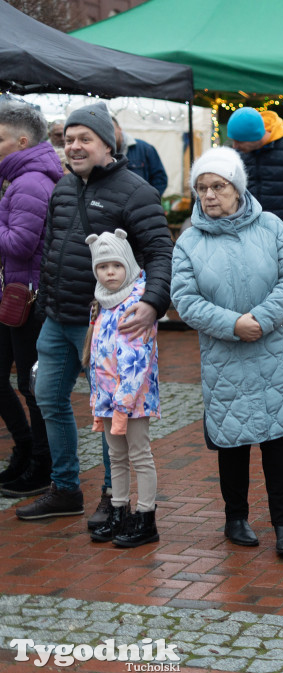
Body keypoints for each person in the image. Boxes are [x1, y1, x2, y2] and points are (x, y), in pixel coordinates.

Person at [16, 101, 173, 525]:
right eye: (69, 140)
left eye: (85, 138)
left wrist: (153, 303)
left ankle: (112, 495)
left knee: (107, 411)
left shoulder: (136, 191)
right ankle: (65, 488)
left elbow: (161, 252)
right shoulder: (63, 188)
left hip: (109, 326)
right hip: (58, 318)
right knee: (47, 397)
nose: (75, 146)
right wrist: (45, 307)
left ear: (108, 143)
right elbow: (50, 248)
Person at [171, 147, 283, 557]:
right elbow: (185, 299)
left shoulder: (271, 226)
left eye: (218, 186)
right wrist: (232, 325)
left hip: (274, 350)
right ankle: (236, 518)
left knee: (277, 440)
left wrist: (260, 319)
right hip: (224, 356)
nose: (209, 195)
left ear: (237, 187)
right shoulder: (189, 242)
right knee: (232, 440)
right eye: (202, 188)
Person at [84, 229, 160, 548]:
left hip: (132, 400)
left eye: (116, 265)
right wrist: (100, 396)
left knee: (139, 454)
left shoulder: (137, 303)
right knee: (115, 457)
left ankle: (146, 516)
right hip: (107, 397)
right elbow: (99, 354)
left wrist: (123, 401)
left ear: (128, 264)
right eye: (103, 267)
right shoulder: (103, 300)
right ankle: (119, 509)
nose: (110, 272)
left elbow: (137, 357)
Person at [0, 100, 60, 498]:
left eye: (0, 138)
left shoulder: (31, 181)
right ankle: (25, 451)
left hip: (30, 299)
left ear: (22, 141)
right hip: (15, 295)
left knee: (31, 386)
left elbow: (20, 244)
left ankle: (42, 464)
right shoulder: (17, 177)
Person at [113, 117, 168, 197]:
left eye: (112, 129)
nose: (109, 133)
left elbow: (160, 179)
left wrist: (149, 201)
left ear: (119, 129)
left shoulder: (145, 148)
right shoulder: (102, 153)